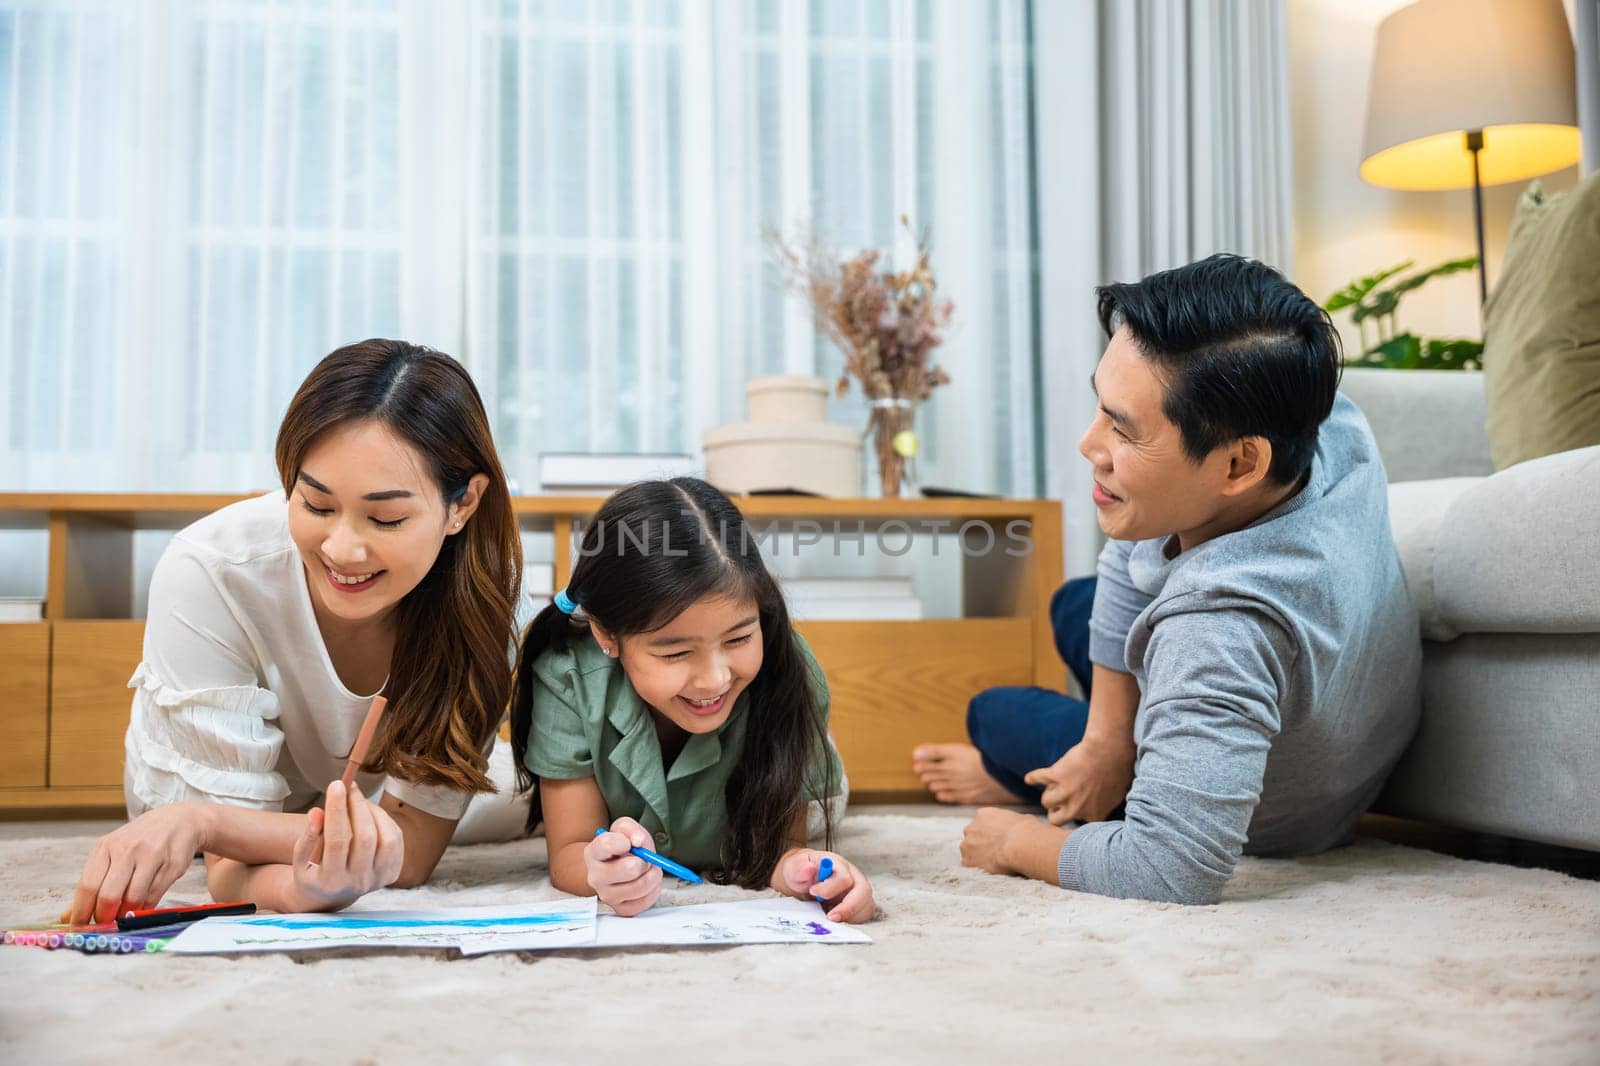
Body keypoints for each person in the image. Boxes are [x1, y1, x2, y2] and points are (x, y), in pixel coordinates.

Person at [927, 253, 1421, 904]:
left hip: (1280, 811)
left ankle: (1031, 782)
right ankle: (1101, 760)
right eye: (1102, 408)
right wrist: (1106, 744)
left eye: (1123, 432)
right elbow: (1127, 545)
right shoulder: (1317, 416)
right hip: (1337, 719)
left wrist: (1015, 845)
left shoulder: (1221, 630)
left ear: (1240, 463)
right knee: (1075, 604)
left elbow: (1170, 868)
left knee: (993, 716)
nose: (1088, 444)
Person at [65, 339, 534, 924]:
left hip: (361, 803)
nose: (342, 549)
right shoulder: (212, 571)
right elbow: (227, 872)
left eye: (386, 517)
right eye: (314, 504)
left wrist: (211, 826)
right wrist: (202, 824)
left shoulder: (489, 602)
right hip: (214, 803)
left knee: (516, 793)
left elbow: (409, 855)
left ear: (463, 503)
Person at [509, 478, 874, 923]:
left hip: (807, 762)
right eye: (676, 652)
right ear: (607, 635)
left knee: (830, 798)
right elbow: (569, 850)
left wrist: (803, 871)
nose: (714, 678)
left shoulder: (791, 673)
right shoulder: (566, 674)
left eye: (739, 637)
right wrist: (602, 872)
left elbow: (778, 850)